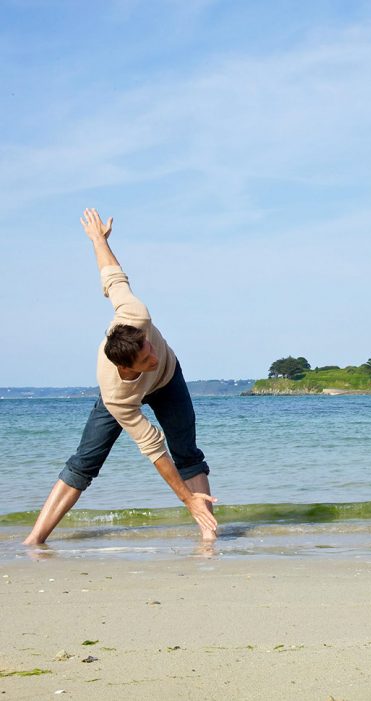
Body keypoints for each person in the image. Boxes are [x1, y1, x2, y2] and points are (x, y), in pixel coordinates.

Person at [24, 209, 217, 545]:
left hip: (169, 382)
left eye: (150, 347)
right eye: (146, 357)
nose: (154, 354)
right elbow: (154, 450)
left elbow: (112, 277)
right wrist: (184, 497)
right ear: (127, 366)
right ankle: (34, 539)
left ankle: (209, 534)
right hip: (122, 400)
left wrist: (98, 239)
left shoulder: (135, 316)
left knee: (187, 453)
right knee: (85, 461)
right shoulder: (116, 393)